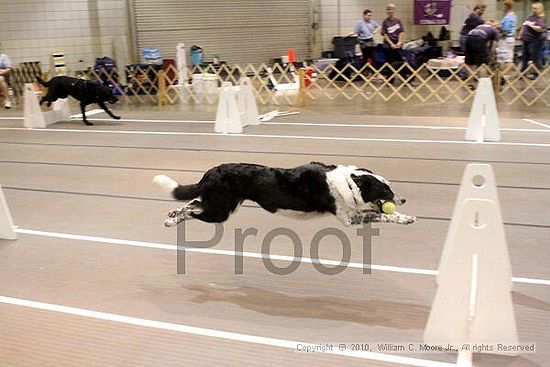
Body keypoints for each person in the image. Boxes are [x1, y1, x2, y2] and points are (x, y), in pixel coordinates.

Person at [518, 2, 546, 79]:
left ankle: (535, 73)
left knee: (534, 57)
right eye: (532, 8)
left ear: (539, 9)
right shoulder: (530, 17)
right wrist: (520, 34)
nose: (533, 10)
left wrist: (531, 25)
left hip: (535, 41)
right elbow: (524, 26)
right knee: (524, 56)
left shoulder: (541, 18)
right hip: (526, 39)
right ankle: (522, 72)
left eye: (535, 8)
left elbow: (540, 29)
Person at [381, 3, 406, 82]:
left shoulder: (398, 21)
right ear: (386, 11)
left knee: (400, 62)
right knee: (389, 63)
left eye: (391, 9)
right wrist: (391, 44)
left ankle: (404, 79)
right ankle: (390, 80)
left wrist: (399, 42)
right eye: (388, 9)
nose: (390, 11)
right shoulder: (385, 22)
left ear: (394, 10)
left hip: (397, 43)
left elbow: (401, 32)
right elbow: (385, 34)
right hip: (388, 45)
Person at [497, 0, 517, 65]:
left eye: (504, 6)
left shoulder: (509, 17)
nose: (503, 8)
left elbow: (505, 30)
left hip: (506, 39)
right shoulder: (512, 16)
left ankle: (506, 74)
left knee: (506, 59)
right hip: (508, 39)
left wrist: (497, 27)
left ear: (507, 7)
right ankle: (504, 74)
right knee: (505, 57)